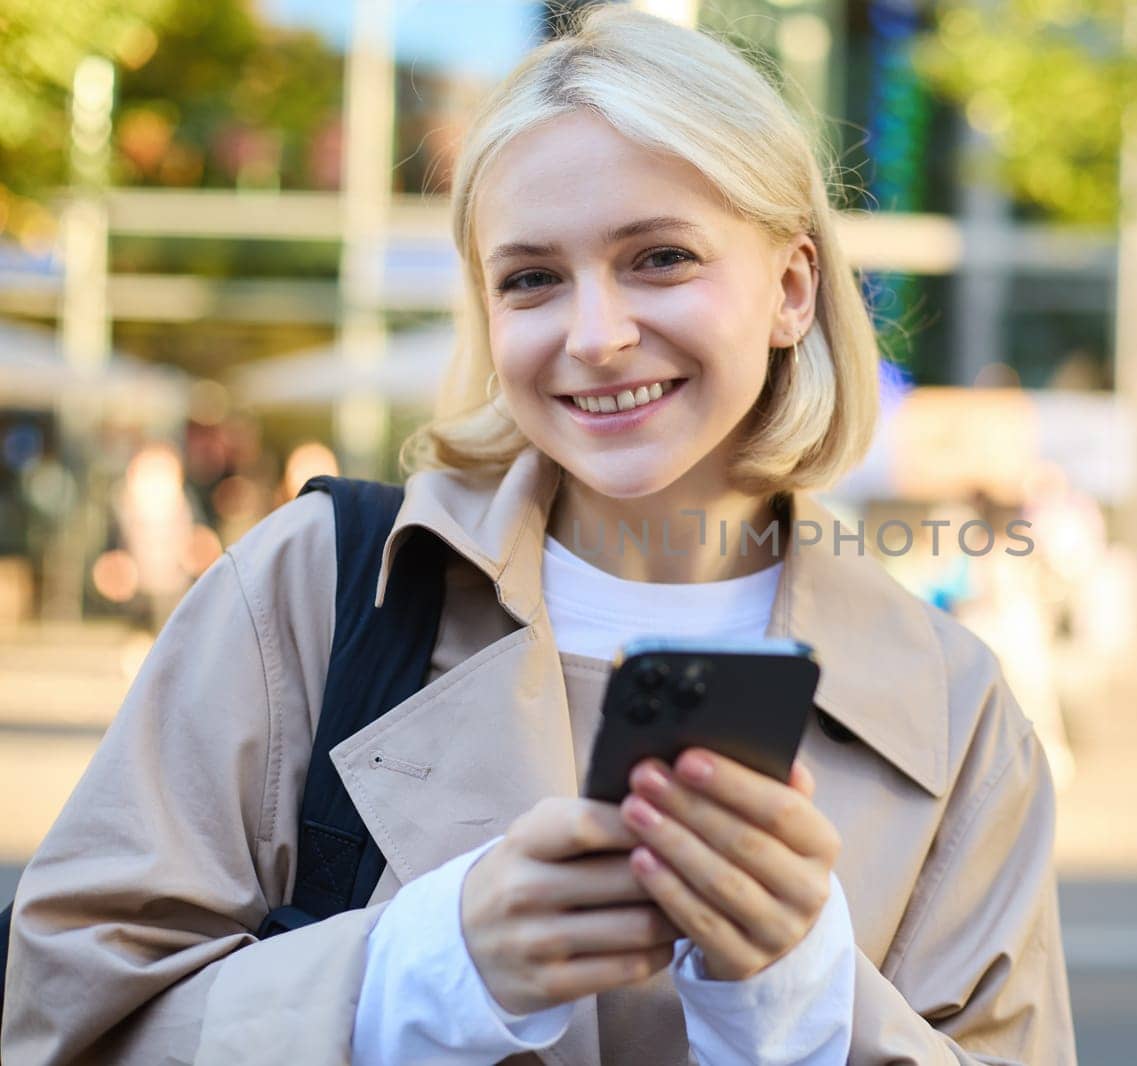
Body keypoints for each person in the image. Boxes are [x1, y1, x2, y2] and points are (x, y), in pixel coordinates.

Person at [2, 8, 1076, 1064]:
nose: (597, 335)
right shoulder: (310, 588)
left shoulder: (955, 707)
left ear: (791, 288)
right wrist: (431, 967)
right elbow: (66, 1023)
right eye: (531, 279)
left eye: (659, 258)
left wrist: (802, 1001)